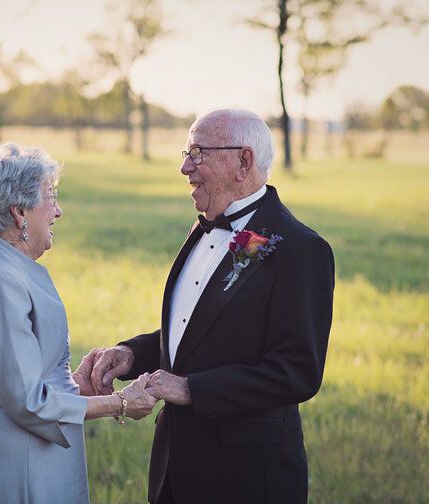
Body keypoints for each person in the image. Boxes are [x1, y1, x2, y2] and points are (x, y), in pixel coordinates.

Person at [87, 109, 335, 503]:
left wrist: (192, 388)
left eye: (199, 153)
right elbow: (200, 330)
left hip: (247, 477)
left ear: (244, 161)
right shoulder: (202, 229)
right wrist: (132, 354)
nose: (185, 166)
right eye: (186, 152)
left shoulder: (301, 250)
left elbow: (298, 371)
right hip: (174, 467)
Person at [0, 142, 157, 504]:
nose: (58, 211)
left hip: (30, 447)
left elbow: (16, 379)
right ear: (19, 212)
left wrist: (74, 387)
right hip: (15, 458)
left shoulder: (2, 266)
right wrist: (118, 403)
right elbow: (26, 401)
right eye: (49, 197)